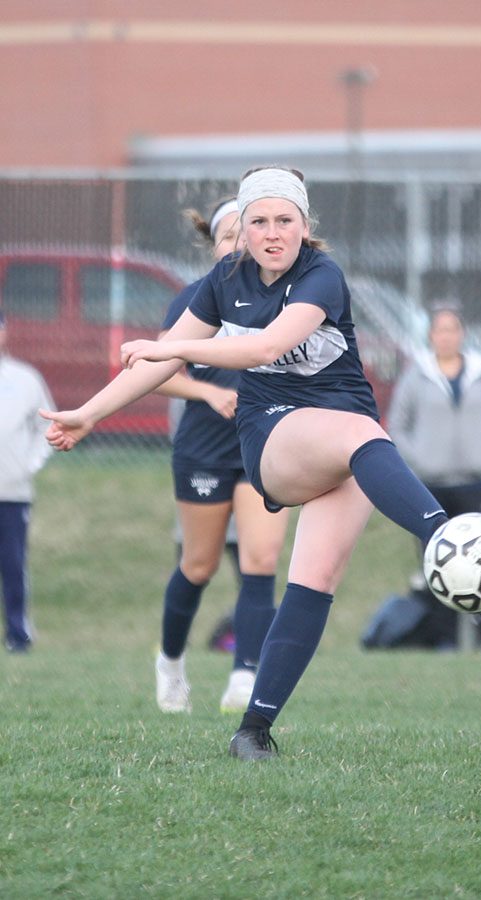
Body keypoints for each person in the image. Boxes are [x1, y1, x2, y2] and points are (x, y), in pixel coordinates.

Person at [40, 165, 449, 761]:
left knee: (315, 581)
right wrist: (89, 413)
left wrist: (175, 346)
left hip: (348, 448)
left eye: (285, 220)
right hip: (273, 437)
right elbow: (154, 367)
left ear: (305, 227)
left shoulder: (323, 275)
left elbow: (263, 346)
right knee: (359, 435)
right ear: (243, 229)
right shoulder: (223, 280)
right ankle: (445, 535)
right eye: (259, 220)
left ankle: (253, 730)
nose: (272, 232)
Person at [152, 198, 289, 714]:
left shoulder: (286, 301)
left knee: (260, 561)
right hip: (204, 449)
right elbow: (159, 370)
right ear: (214, 246)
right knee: (198, 565)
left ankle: (244, 676)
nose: (237, 244)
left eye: (245, 233)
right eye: (227, 236)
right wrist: (209, 394)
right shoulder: (194, 300)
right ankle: (170, 665)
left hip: (263, 448)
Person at [387, 303, 481, 647]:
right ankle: (443, 642)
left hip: (474, 483)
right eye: (440, 330)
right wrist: (421, 459)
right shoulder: (417, 375)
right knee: (439, 564)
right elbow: (398, 424)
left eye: (452, 329)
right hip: (431, 486)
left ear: (462, 334)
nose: (446, 336)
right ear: (431, 335)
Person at [0, 310, 55, 652]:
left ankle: (18, 634)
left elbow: (46, 426)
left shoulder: (24, 378)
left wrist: (29, 464)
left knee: (13, 563)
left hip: (13, 491)